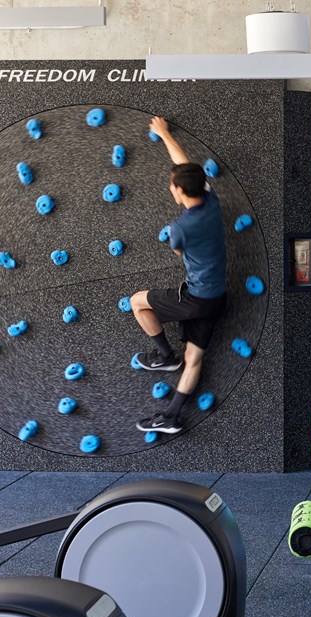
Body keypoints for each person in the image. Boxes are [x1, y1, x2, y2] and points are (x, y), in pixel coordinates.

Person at [130, 116, 226, 434]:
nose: (170, 188)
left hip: (196, 297)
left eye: (172, 186)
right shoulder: (211, 200)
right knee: (195, 358)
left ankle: (164, 355)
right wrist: (165, 134)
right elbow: (185, 164)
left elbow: (178, 252)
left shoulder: (180, 228)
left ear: (181, 192)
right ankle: (170, 416)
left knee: (137, 302)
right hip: (217, 298)